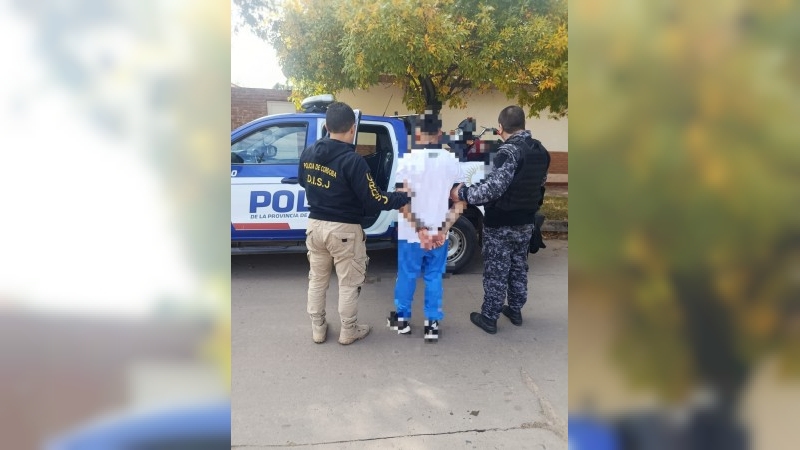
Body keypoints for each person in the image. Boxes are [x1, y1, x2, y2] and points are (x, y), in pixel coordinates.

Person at [299, 101, 411, 345]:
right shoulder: (353, 160)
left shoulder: (308, 153)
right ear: (353, 128)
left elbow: (302, 181)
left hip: (315, 227)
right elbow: (374, 199)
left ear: (327, 126)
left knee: (317, 280)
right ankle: (348, 331)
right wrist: (402, 198)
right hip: (343, 230)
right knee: (348, 284)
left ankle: (318, 329)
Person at [450, 105, 550, 334]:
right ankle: (515, 310)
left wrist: (462, 193)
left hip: (501, 223)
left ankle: (489, 318)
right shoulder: (541, 151)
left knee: (497, 271)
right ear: (523, 124)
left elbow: (492, 190)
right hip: (526, 222)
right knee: (518, 268)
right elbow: (540, 184)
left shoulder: (509, 152)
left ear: (500, 127)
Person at [386, 111, 466, 342]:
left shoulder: (407, 162)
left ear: (417, 133)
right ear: (440, 133)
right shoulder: (451, 162)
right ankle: (432, 324)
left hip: (411, 234)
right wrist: (442, 230)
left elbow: (402, 202)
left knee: (407, 275)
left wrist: (420, 229)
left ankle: (402, 321)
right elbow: (460, 202)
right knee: (434, 277)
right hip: (439, 235)